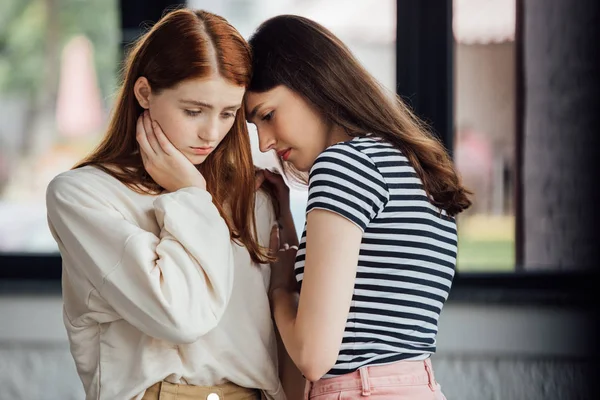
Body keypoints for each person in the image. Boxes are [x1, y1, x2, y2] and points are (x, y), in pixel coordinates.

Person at [46, 9, 290, 400]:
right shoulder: (83, 196)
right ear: (144, 93)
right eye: (193, 111)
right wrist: (190, 193)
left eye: (228, 113)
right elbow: (180, 316)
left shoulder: (251, 195)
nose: (211, 132)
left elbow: (272, 338)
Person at [245, 14, 472, 400]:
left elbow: (314, 357)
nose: (265, 142)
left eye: (267, 115)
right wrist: (283, 216)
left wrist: (279, 287)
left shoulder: (343, 165)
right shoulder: (411, 165)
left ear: (309, 82)